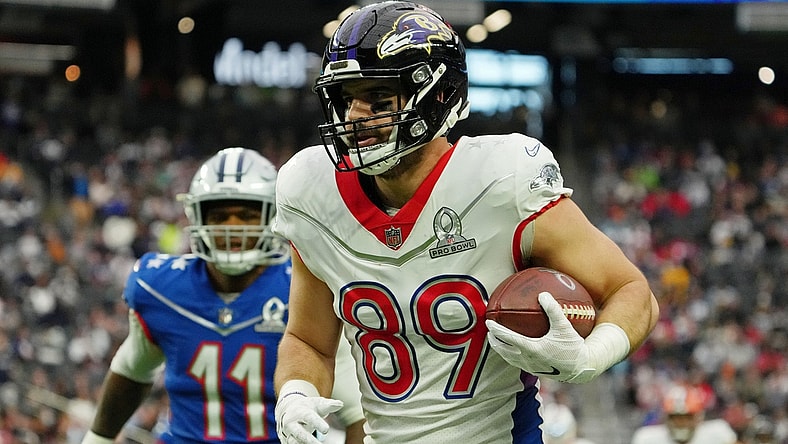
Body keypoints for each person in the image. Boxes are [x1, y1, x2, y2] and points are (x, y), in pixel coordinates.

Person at [271, 1, 658, 443]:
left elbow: (632, 293)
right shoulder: (311, 191)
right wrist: (296, 394)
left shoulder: (501, 181)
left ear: (437, 96)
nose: (356, 116)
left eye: (378, 97)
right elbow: (309, 340)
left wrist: (590, 357)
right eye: (347, 98)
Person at [81, 148, 365, 444]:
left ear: (272, 216)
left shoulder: (303, 287)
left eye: (246, 215)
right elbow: (131, 370)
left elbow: (359, 413)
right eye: (219, 215)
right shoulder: (161, 289)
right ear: (197, 217)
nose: (232, 226)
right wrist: (97, 439)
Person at [630, 384, 737, 444]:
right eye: (675, 418)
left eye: (687, 417)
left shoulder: (718, 432)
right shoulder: (647, 438)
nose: (681, 423)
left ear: (698, 417)